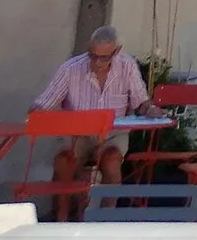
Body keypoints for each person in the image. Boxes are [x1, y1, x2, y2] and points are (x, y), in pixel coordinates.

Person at [32, 27, 155, 218]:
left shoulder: (127, 66)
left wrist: (151, 109)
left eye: (104, 58)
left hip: (112, 134)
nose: (97, 62)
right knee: (64, 162)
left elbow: (141, 101)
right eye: (93, 55)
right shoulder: (71, 68)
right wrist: (37, 112)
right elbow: (46, 101)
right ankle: (59, 222)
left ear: (116, 51)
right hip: (77, 135)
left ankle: (105, 221)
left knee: (112, 160)